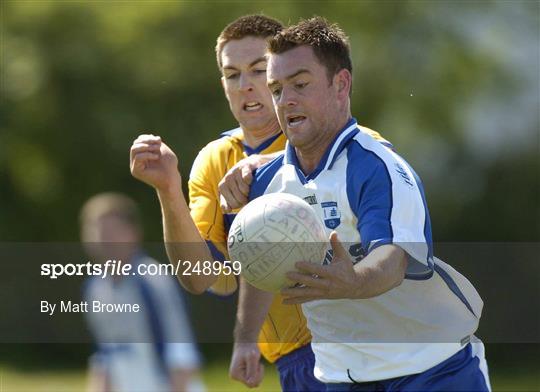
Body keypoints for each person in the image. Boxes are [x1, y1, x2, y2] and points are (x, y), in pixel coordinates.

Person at [240, 17, 491, 391]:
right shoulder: (264, 183)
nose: (286, 99)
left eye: (301, 84)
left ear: (340, 84)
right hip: (341, 377)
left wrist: (353, 281)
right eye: (276, 89)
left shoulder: (378, 169)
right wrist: (246, 337)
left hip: (431, 369)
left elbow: (391, 261)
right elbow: (259, 263)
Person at [80, 192, 204, 392]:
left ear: (132, 233)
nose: (102, 237)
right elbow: (105, 354)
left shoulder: (152, 280)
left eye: (112, 230)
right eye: (95, 229)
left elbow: (180, 350)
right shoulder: (95, 289)